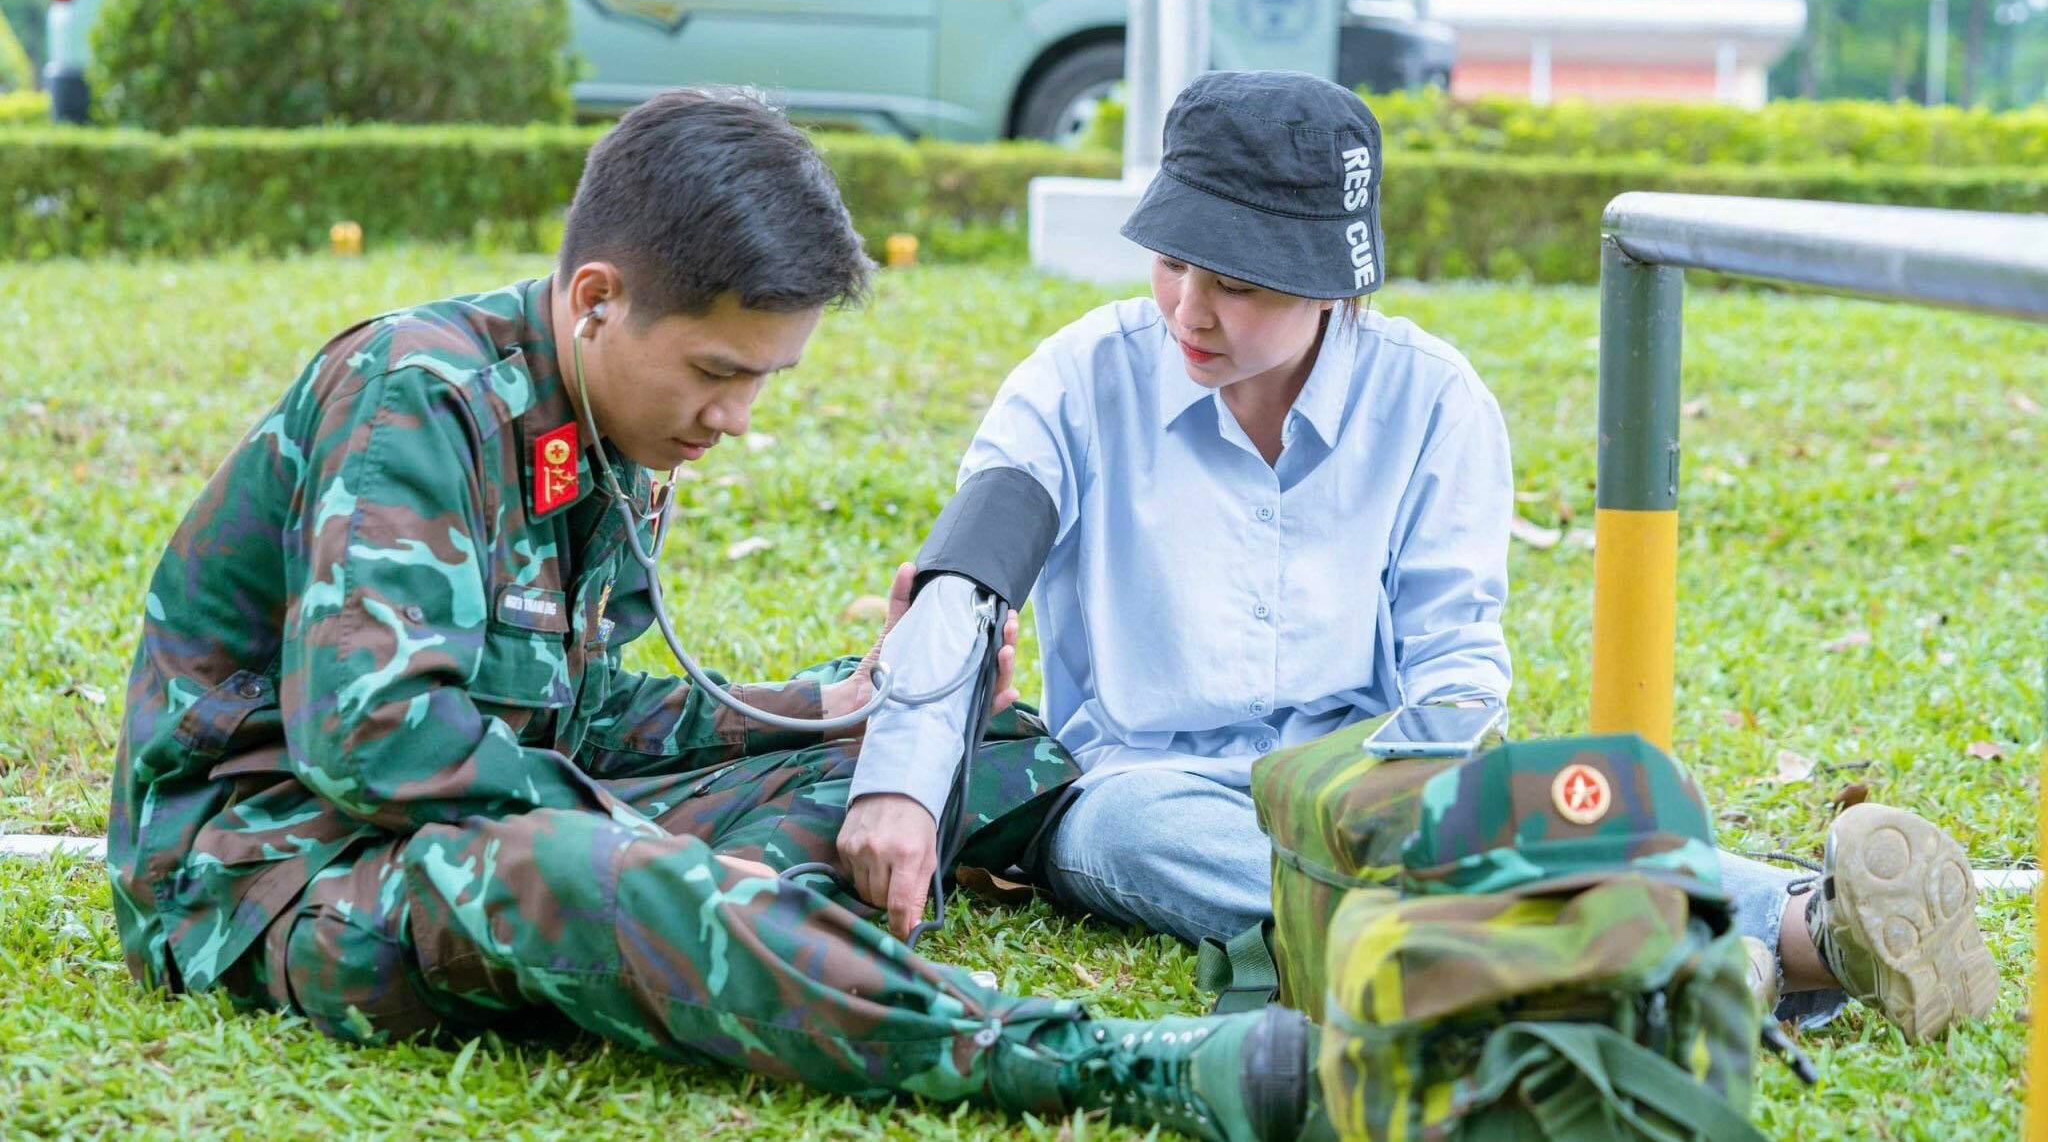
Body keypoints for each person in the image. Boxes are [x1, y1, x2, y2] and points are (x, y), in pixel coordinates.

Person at [108, 87, 1317, 1142]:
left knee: (965, 738)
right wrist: (649, 847)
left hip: (488, 811)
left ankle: (736, 925)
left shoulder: (608, 421)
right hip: (280, 867)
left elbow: (572, 716)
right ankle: (1082, 1058)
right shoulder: (415, 398)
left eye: (762, 379)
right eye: (717, 372)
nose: (734, 418)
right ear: (596, 298)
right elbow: (372, 742)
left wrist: (833, 705)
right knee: (585, 874)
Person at [839, 70, 1998, 1045]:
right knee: (1125, 830)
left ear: (1333, 279)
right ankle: (1634, 957)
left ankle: (1816, 930)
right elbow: (966, 577)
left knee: (1511, 811)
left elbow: (1454, 656)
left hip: (1375, 784)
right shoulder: (1074, 378)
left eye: (1235, 280)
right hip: (1148, 788)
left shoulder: (1434, 400)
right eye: (1171, 262)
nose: (1188, 307)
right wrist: (898, 780)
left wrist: (1422, 785)